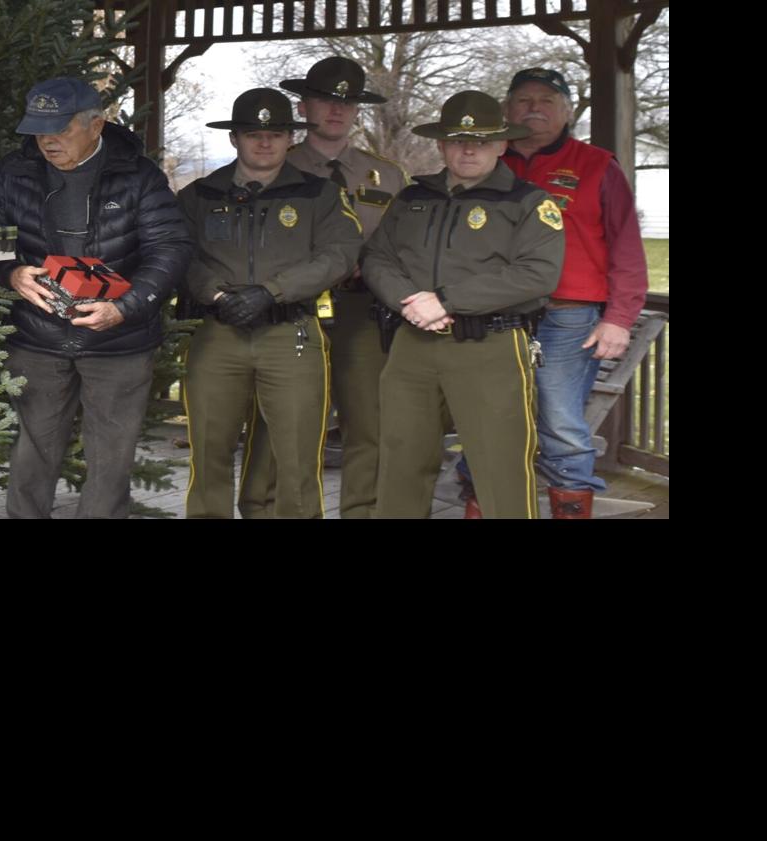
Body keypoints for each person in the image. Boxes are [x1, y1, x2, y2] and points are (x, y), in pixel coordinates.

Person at [0, 77, 192, 519]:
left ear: (96, 125)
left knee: (111, 460)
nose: (47, 141)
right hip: (36, 336)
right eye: (38, 129)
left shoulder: (139, 175)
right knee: (31, 454)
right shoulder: (14, 171)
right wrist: (11, 273)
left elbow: (171, 248)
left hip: (119, 342)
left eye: (60, 129)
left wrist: (125, 308)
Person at [364, 90, 564, 519]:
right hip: (412, 345)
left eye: (482, 140)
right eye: (457, 140)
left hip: (489, 347)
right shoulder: (412, 199)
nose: (469, 149)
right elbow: (377, 257)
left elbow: (538, 274)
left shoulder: (528, 202)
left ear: (502, 144)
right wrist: (409, 304)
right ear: (441, 144)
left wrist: (446, 301)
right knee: (400, 463)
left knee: (501, 468)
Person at [175, 88, 362, 518]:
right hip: (217, 333)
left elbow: (339, 254)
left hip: (289, 333)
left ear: (290, 138)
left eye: (275, 134)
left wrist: (272, 291)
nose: (264, 142)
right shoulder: (200, 195)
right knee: (209, 449)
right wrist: (216, 293)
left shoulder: (319, 195)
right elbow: (179, 254)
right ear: (234, 138)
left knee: (297, 454)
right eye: (253, 134)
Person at [236, 55, 408, 519]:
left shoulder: (386, 174)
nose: (337, 110)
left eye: (347, 103)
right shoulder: (272, 164)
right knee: (278, 421)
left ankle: (363, 511)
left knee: (368, 422)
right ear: (303, 106)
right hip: (290, 309)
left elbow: (402, 243)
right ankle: (265, 510)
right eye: (325, 100)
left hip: (361, 312)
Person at [493, 67, 648, 519]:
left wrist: (618, 318)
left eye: (547, 101)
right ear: (507, 109)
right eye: (524, 100)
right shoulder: (486, 159)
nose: (535, 109)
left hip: (569, 316)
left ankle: (571, 505)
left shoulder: (597, 165)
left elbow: (626, 246)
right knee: (490, 411)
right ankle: (484, 499)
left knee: (560, 421)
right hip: (493, 313)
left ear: (566, 111)